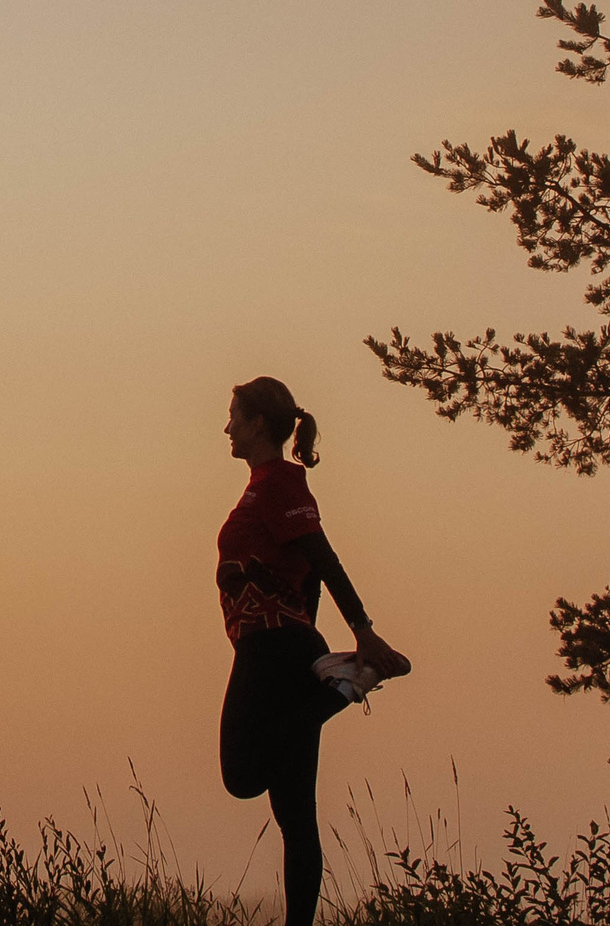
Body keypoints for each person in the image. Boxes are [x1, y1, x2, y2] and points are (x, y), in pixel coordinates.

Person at [216, 376, 409, 922]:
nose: (226, 426)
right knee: (295, 817)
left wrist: (362, 629)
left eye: (234, 415)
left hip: (272, 646)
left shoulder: (280, 483)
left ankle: (344, 684)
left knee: (243, 776)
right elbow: (309, 575)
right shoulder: (261, 486)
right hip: (290, 648)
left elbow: (323, 558)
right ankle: (336, 684)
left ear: (257, 424)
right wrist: (315, 654)